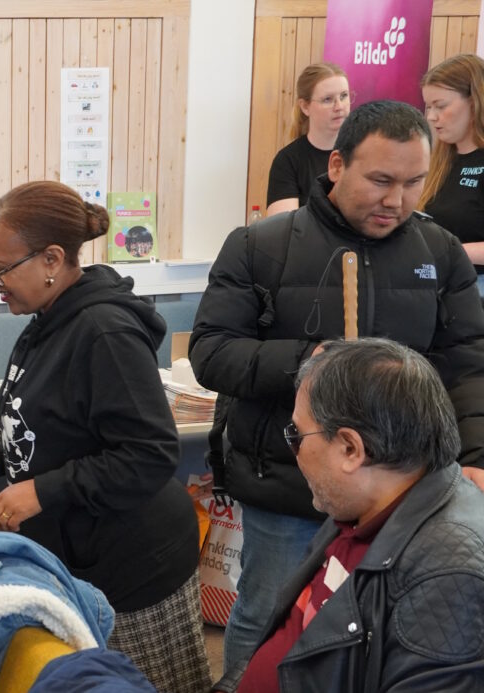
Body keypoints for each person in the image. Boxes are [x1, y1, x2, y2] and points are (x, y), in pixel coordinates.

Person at [190, 99, 484, 674]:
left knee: (375, 622)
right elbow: (212, 352)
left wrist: (475, 454)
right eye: (379, 180)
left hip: (402, 495)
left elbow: (467, 363)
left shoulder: (439, 251)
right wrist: (312, 361)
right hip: (289, 482)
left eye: (413, 182)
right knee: (272, 613)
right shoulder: (261, 246)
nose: (396, 200)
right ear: (336, 166)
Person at [0, 181, 210, 692]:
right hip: (82, 555)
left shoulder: (103, 331)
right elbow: (46, 412)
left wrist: (40, 491)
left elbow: (150, 454)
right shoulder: (48, 315)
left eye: (1, 268)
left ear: (52, 258)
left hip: (133, 566)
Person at [217, 338, 484, 691]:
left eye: (296, 434)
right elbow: (285, 635)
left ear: (350, 448)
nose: (294, 449)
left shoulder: (446, 579)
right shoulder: (363, 506)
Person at [420, 53, 484, 293]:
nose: (431, 117)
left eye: (441, 106)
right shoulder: (438, 161)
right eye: (429, 106)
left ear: (474, 101)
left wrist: (449, 251)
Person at [265, 62, 351, 216]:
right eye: (327, 99)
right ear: (305, 107)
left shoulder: (361, 153)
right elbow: (283, 231)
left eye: (344, 96)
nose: (339, 106)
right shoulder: (288, 161)